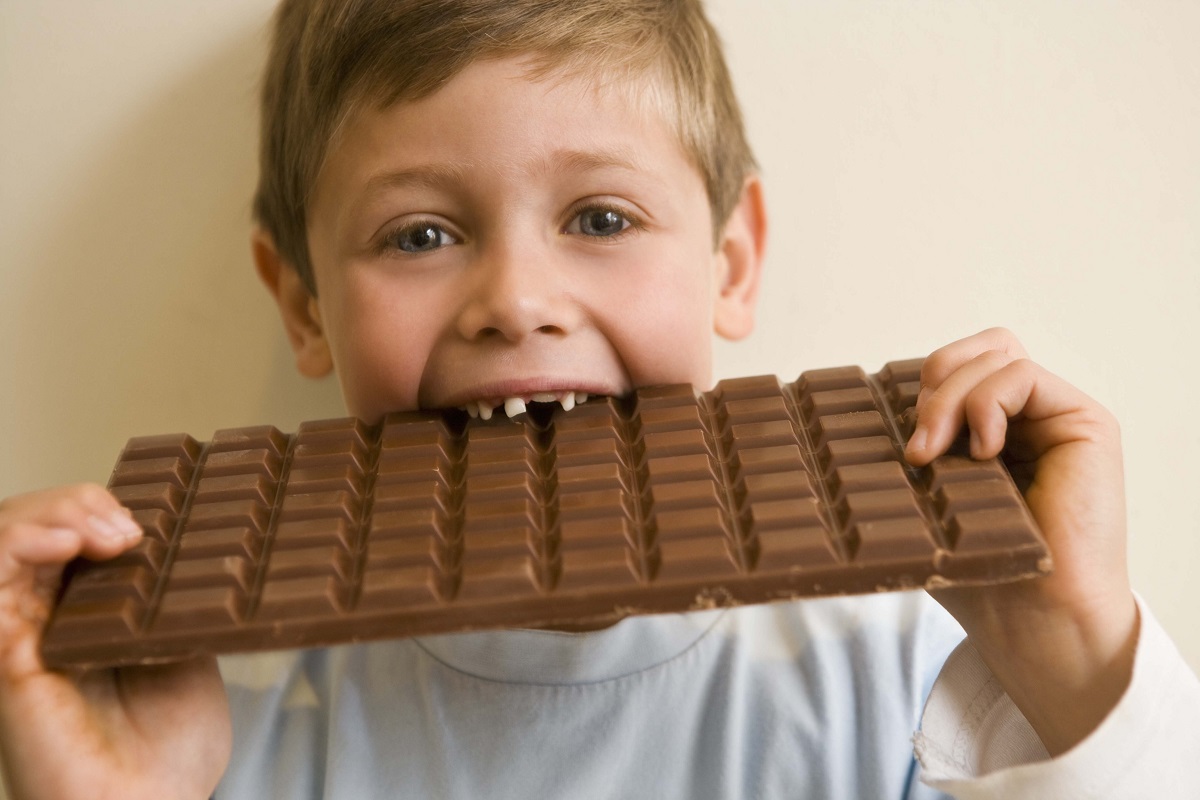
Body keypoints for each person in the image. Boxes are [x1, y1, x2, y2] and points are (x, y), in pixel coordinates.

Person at [1, 1, 1197, 797]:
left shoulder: (911, 676)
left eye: (601, 218)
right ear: (304, 301)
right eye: (419, 232)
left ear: (731, 260)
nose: (517, 302)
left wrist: (1078, 665)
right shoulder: (213, 733)